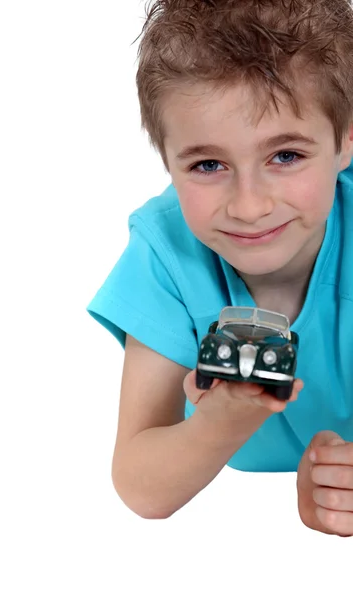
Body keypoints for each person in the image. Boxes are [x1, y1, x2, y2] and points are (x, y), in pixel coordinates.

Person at [87, 0, 353, 536]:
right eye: (208, 165)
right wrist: (221, 422)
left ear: (347, 141)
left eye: (286, 156)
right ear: (167, 160)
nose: (249, 206)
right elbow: (141, 486)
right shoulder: (166, 249)